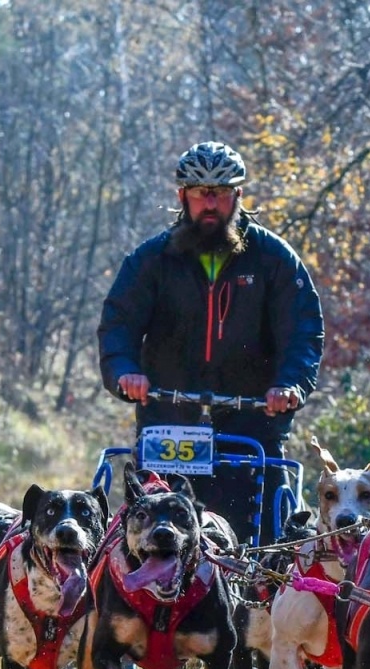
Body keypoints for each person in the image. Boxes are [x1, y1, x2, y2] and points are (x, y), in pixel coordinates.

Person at [98, 141, 324, 545]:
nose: (210, 204)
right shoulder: (151, 259)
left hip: (252, 418)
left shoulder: (274, 259)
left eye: (220, 193)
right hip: (169, 418)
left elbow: (303, 331)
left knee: (267, 538)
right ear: (182, 196)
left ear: (238, 195)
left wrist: (290, 384)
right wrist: (125, 372)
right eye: (201, 193)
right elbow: (119, 323)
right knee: (150, 537)